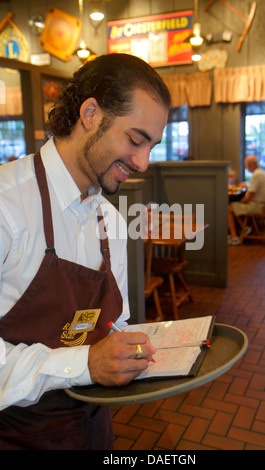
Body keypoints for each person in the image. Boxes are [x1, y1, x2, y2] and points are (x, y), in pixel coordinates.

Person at [0, 53, 171, 450]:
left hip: (94, 432)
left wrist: (144, 351)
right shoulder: (7, 205)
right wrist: (85, 364)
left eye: (152, 146)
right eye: (135, 139)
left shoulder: (110, 221)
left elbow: (116, 324)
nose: (143, 162)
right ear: (90, 113)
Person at [228, 155, 265, 245]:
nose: (246, 167)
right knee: (234, 206)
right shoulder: (262, 173)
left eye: (246, 165)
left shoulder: (256, 175)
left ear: (250, 165)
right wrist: (247, 187)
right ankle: (245, 227)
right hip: (264, 205)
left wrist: (239, 202)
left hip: (257, 206)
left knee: (229, 208)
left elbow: (249, 198)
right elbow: (254, 189)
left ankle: (234, 237)